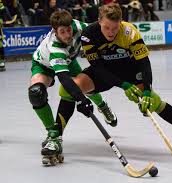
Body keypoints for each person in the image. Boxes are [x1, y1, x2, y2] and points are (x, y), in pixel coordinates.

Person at [68, 3, 172, 157]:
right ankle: (56, 136)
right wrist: (123, 85)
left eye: (115, 28)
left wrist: (145, 90)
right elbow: (97, 68)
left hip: (131, 71)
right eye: (107, 28)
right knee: (72, 88)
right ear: (99, 21)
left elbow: (144, 63)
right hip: (104, 72)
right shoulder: (88, 34)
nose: (111, 33)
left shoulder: (129, 32)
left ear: (121, 22)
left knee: (153, 101)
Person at [28, 10, 117, 164]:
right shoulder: (54, 48)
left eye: (69, 30)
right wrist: (81, 100)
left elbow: (98, 29)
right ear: (55, 32)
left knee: (86, 83)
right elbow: (64, 80)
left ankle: (102, 106)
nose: (68, 35)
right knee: (36, 93)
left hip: (69, 61)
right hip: (44, 66)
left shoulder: (77, 26)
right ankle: (54, 136)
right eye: (62, 32)